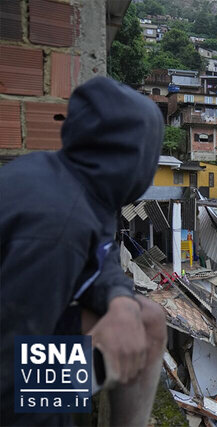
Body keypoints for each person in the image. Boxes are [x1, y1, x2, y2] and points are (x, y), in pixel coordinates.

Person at [0, 77, 167, 426]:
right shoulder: (57, 230)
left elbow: (101, 254)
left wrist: (119, 300)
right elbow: (8, 381)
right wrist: (92, 370)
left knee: (147, 320)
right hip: (9, 373)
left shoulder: (76, 181)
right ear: (137, 159)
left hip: (23, 329)